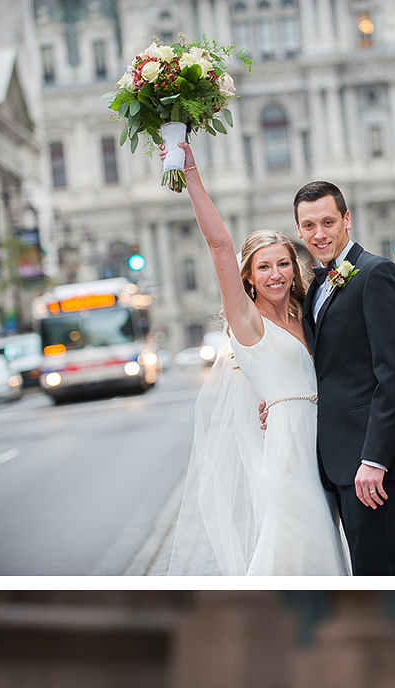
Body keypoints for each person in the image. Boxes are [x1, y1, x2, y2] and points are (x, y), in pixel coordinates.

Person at [166, 142, 349, 574]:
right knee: (301, 542)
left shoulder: (307, 314)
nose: (276, 275)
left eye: (284, 264)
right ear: (248, 275)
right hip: (288, 449)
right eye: (264, 267)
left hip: (325, 443)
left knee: (323, 543)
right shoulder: (247, 322)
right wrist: (190, 172)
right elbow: (219, 246)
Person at [261, 182, 395, 576]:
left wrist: (374, 459)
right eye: (309, 225)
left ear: (347, 220)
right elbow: (327, 368)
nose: (319, 234)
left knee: (385, 570)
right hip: (337, 460)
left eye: (328, 221)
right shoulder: (317, 285)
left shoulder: (377, 274)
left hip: (372, 463)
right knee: (369, 572)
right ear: (299, 229)